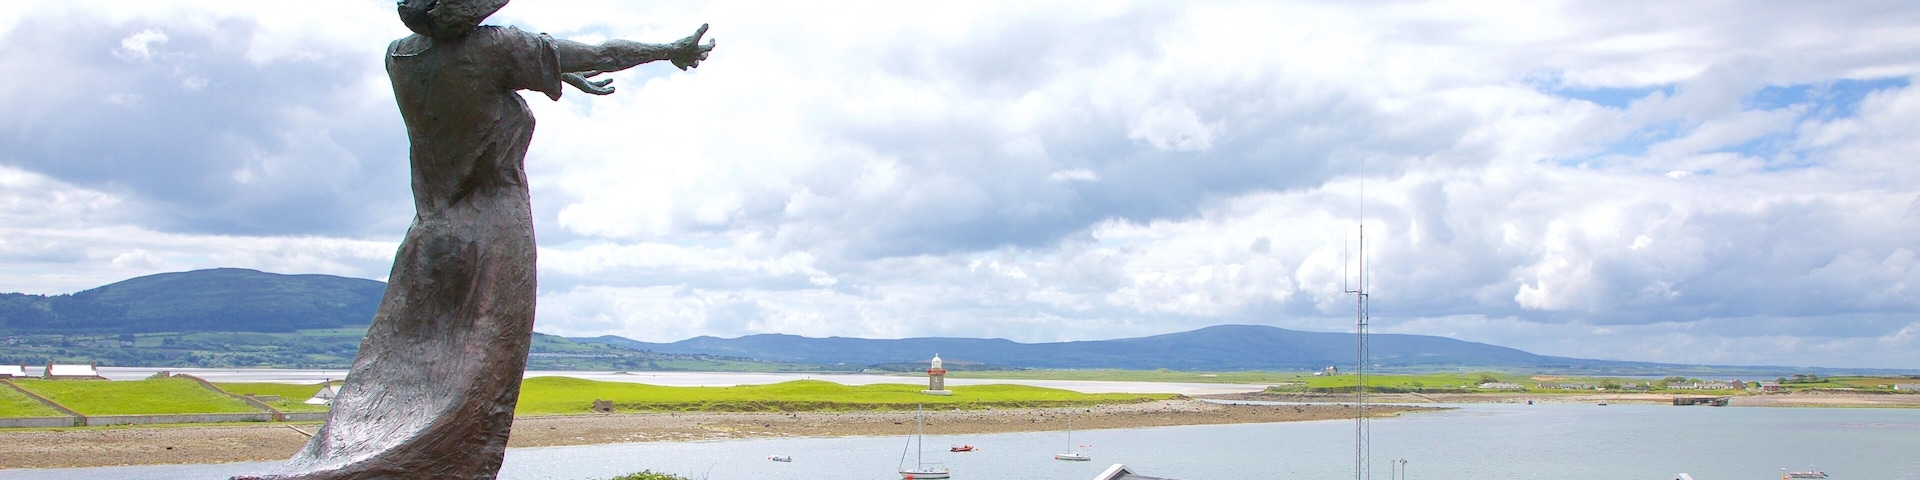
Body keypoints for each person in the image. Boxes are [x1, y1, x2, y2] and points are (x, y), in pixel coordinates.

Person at [239, 1, 712, 478]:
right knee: (481, 378)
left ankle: (340, 462)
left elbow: (481, 78)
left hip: (430, 233)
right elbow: (602, 53)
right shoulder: (495, 48)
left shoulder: (400, 57)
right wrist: (669, 50)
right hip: (493, 226)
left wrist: (555, 73)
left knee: (399, 367)